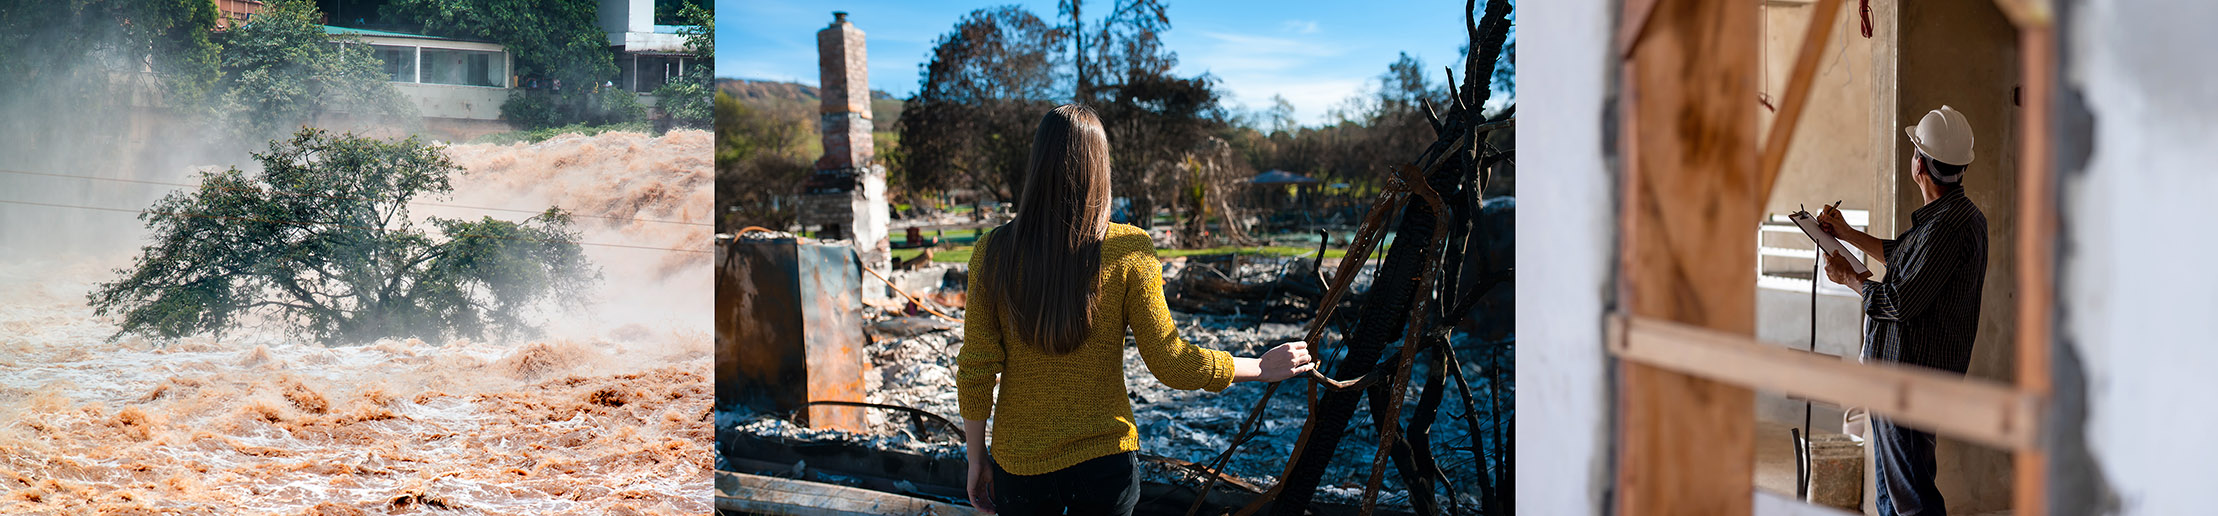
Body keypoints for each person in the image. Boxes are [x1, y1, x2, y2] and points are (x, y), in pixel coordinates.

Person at [957, 104, 1315, 515]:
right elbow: (1170, 361)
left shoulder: (993, 251)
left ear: (1038, 162)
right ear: (1100, 166)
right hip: (1105, 466)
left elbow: (976, 367)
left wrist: (975, 457)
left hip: (1020, 469)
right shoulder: (1129, 249)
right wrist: (1259, 367)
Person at [1816, 105, 1988, 516]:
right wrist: (1847, 234)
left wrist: (1849, 279)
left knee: (1912, 501)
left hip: (1908, 382)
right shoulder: (1952, 218)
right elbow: (1903, 257)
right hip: (1903, 378)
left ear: (1920, 165)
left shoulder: (1946, 227)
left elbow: (1898, 300)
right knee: (1891, 498)